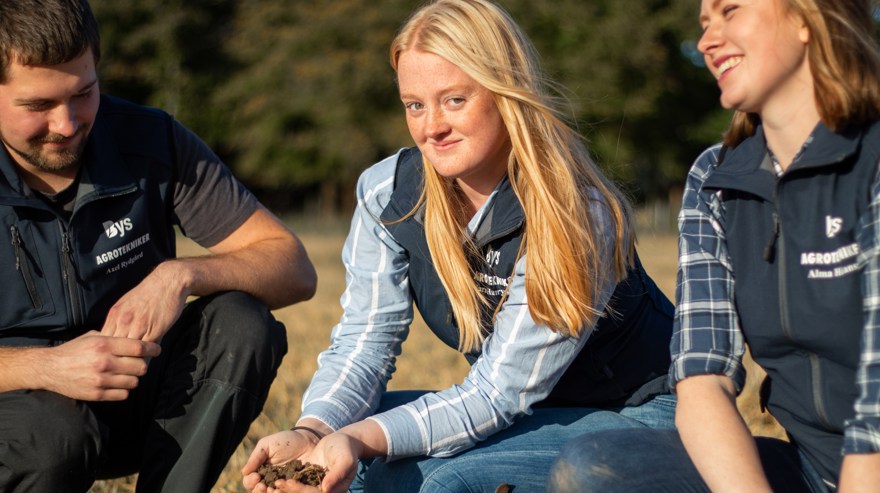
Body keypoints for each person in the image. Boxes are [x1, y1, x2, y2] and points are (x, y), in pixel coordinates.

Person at [241, 1, 675, 492]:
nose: (431, 127)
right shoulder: (387, 194)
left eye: (454, 100)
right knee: (341, 456)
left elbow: (497, 393)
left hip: (635, 413)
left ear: (505, 92)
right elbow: (364, 345)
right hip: (529, 415)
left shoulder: (577, 211)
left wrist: (363, 440)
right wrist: (313, 431)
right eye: (414, 105)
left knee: (446, 480)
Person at [546, 0, 880, 492]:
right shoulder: (715, 179)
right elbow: (703, 379)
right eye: (704, 23)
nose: (706, 40)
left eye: (730, 11)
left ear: (808, 17)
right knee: (596, 469)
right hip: (814, 468)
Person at [0, 0, 317, 491]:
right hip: (21, 418)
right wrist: (46, 367)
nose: (66, 124)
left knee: (241, 324)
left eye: (84, 93)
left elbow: (292, 266)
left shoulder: (150, 140)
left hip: (136, 398)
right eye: (38, 106)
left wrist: (180, 274)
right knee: (51, 435)